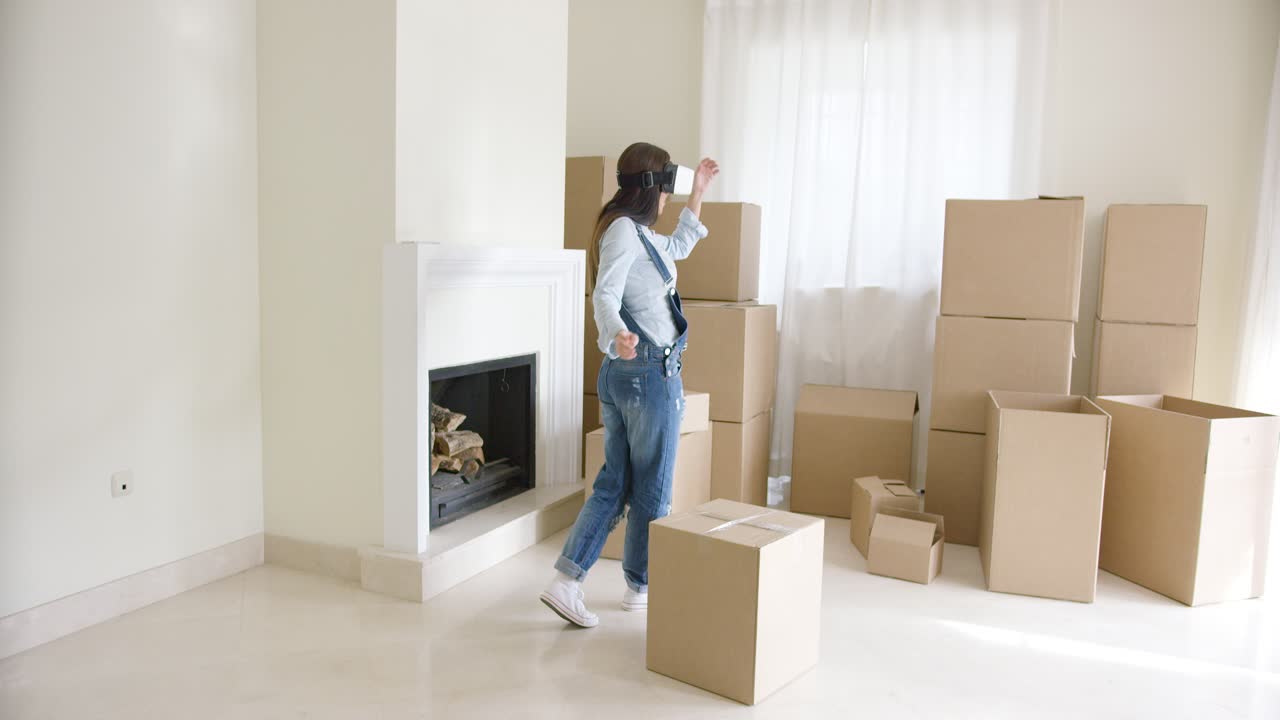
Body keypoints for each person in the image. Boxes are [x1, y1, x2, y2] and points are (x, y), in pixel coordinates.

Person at [540, 143, 719, 628]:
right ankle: (639, 586)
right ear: (650, 190)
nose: (667, 199)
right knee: (652, 490)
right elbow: (605, 293)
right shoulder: (623, 232)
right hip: (646, 374)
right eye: (666, 189)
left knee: (616, 483)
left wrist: (697, 192)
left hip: (628, 375)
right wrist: (613, 333)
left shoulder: (637, 233)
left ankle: (568, 582)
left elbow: (679, 246)